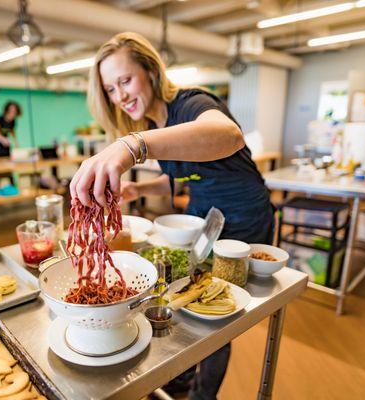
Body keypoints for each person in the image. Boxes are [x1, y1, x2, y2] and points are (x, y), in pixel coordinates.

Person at [70, 32, 274, 399]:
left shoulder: (192, 103)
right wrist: (140, 189)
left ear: (150, 70)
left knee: (216, 312)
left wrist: (131, 145)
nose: (121, 95)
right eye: (111, 89)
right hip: (204, 218)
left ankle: (202, 394)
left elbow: (228, 135)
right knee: (186, 298)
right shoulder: (153, 124)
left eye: (126, 80)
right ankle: (181, 376)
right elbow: (183, 175)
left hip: (244, 217)